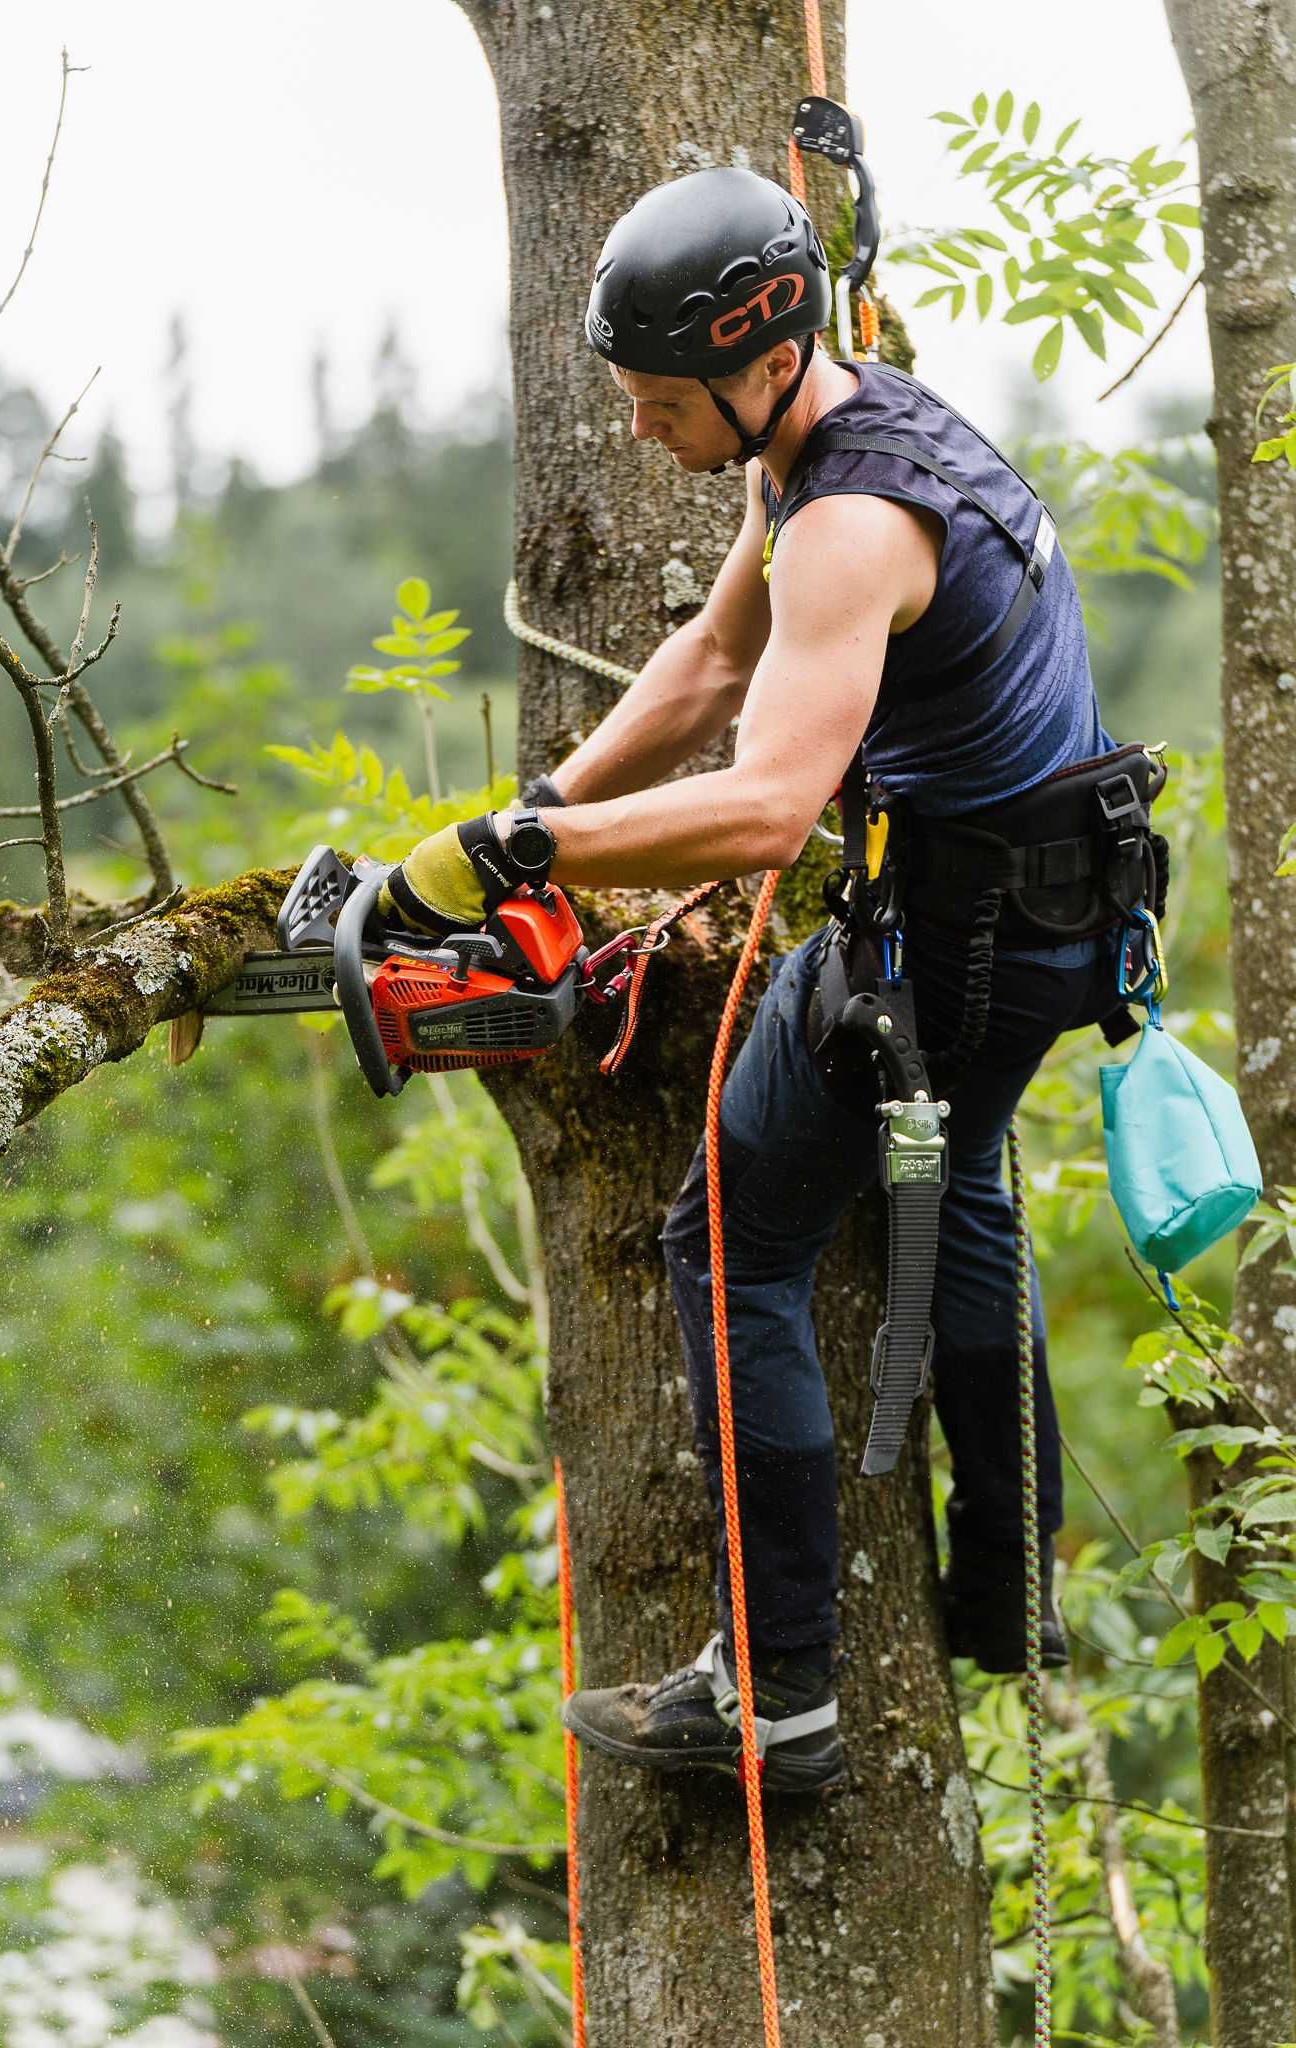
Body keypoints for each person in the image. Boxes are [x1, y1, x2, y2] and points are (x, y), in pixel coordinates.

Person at [375, 167, 1147, 1799]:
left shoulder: (850, 527)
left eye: (663, 402)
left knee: (726, 1247)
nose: (644, 429)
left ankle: (775, 1697)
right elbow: (712, 664)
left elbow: (763, 806)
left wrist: (501, 865)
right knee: (968, 1181)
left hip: (949, 951)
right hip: (1049, 925)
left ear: (758, 360)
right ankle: (1006, 1581)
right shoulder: (840, 439)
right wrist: (540, 817)